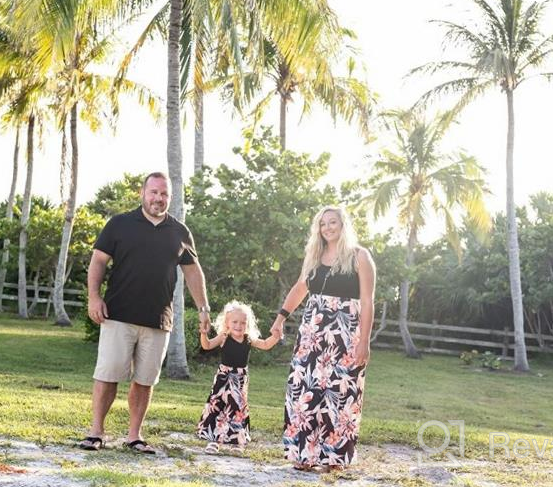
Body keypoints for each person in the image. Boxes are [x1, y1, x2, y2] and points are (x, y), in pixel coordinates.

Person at [79, 172, 211, 453]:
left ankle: (134, 436)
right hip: (118, 314)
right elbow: (98, 261)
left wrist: (203, 308)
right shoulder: (119, 224)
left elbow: (192, 272)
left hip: (158, 319)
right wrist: (94, 297)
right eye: (153, 192)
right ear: (143, 193)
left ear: (170, 198)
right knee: (107, 374)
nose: (158, 198)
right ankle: (96, 432)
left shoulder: (180, 231)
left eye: (164, 194)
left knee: (144, 381)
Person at [270, 206, 375, 472]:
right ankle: (304, 454)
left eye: (333, 222)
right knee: (304, 389)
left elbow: (367, 301)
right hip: (312, 335)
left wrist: (364, 341)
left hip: (347, 334)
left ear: (343, 225)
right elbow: (299, 289)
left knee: (341, 393)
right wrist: (281, 318)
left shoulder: (359, 257)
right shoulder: (314, 257)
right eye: (323, 223)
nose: (328, 227)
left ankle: (335, 458)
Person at [197, 300, 281, 454]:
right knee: (219, 406)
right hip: (223, 377)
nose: (238, 325)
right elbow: (207, 345)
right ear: (227, 323)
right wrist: (203, 333)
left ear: (247, 324)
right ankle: (215, 440)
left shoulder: (248, 339)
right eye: (234, 322)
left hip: (240, 379)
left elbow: (265, 344)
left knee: (237, 409)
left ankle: (237, 441)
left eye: (243, 322)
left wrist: (275, 337)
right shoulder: (223, 337)